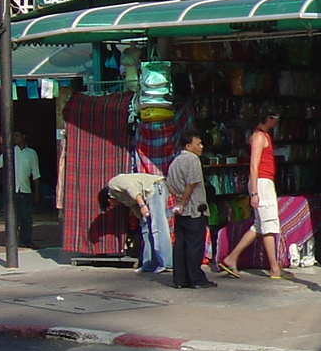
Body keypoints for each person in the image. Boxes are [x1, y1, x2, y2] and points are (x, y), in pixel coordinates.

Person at [218, 109, 286, 280]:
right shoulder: (258, 136)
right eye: (276, 119)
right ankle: (274, 268)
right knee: (268, 225)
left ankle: (232, 258)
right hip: (261, 182)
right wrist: (254, 192)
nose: (277, 122)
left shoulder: (263, 136)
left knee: (260, 224)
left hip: (264, 181)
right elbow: (254, 165)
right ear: (268, 118)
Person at [166, 131, 215, 290]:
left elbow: (169, 184)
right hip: (193, 208)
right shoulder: (192, 160)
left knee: (180, 244)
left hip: (180, 211)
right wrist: (183, 201)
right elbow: (192, 183)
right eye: (198, 143)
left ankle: (180, 279)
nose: (201, 147)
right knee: (194, 245)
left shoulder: (175, 161)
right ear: (188, 146)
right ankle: (196, 279)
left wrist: (178, 199)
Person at [99, 172, 171, 272]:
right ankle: (149, 264)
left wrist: (142, 206)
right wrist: (142, 218)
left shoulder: (113, 184)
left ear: (109, 200)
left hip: (154, 187)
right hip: (146, 195)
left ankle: (166, 262)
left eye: (111, 205)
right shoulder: (122, 198)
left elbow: (131, 188)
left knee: (158, 226)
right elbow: (133, 205)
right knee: (146, 229)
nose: (114, 206)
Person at [0, 131, 40, 247]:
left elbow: (36, 174)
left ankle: (25, 240)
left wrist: (36, 191)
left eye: (17, 136)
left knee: (26, 217)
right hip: (12, 191)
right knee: (12, 218)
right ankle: (12, 241)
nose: (15, 138)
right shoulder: (10, 152)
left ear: (23, 136)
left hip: (25, 190)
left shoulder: (31, 153)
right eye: (14, 136)